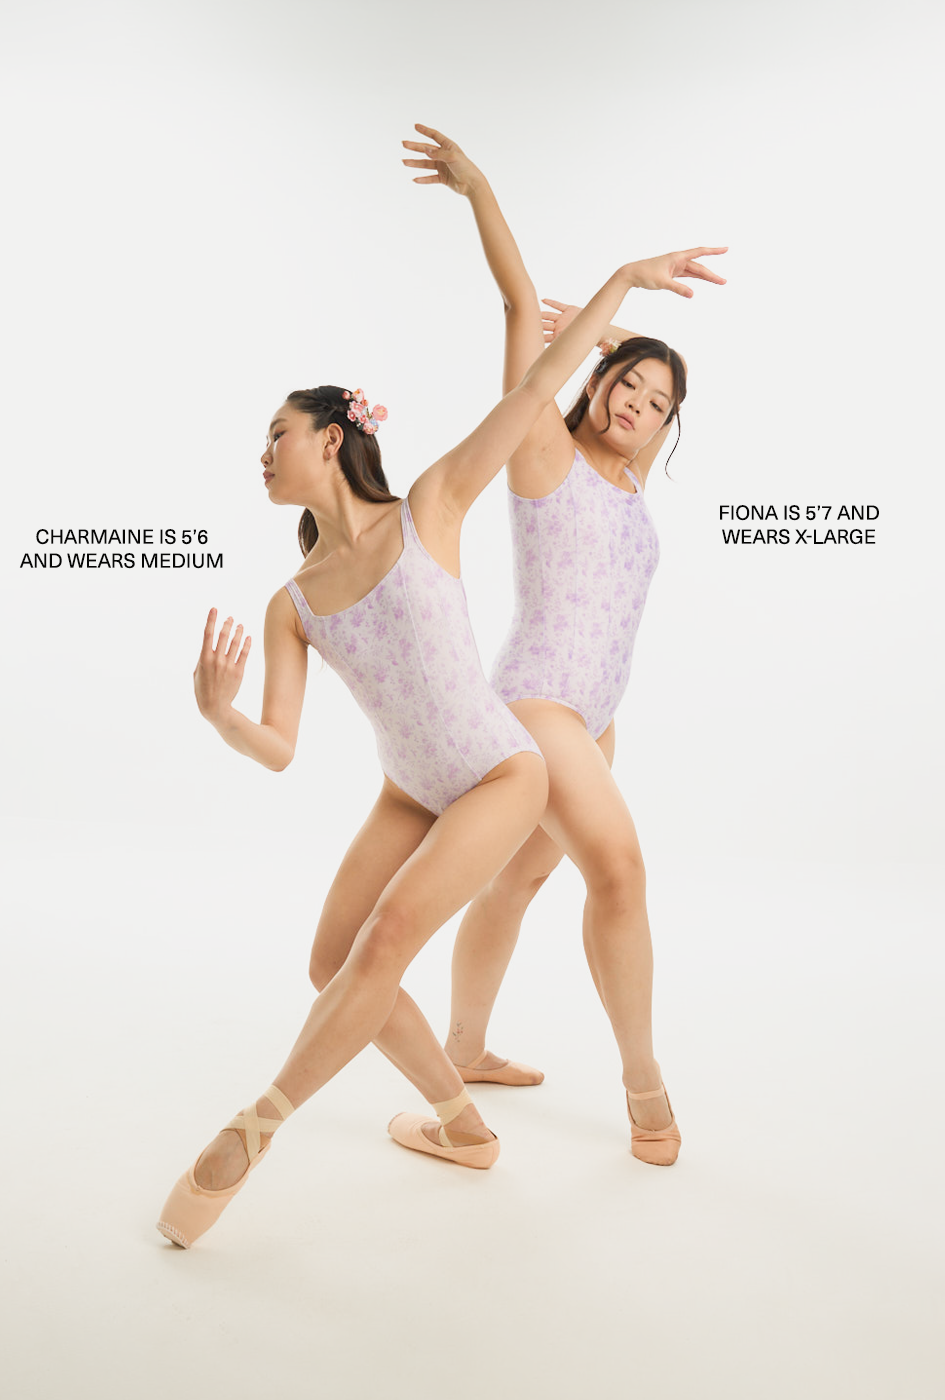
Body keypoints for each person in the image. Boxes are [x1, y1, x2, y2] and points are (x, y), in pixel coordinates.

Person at [157, 207, 715, 1250]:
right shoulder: (298, 596)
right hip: (441, 770)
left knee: (444, 917)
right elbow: (278, 747)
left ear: (328, 436)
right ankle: (462, 1119)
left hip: (526, 753)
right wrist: (219, 712)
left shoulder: (439, 504)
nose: (259, 454)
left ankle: (268, 1114)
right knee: (338, 958)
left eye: (272, 435)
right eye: (626, 388)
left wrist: (604, 302)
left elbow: (534, 353)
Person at [402, 123, 727, 1165]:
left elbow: (621, 388)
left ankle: (464, 1044)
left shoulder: (633, 488)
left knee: (519, 882)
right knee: (619, 871)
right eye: (625, 387)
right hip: (538, 704)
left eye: (655, 401)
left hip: (596, 718)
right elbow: (516, 306)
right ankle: (645, 1092)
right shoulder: (542, 447)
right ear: (587, 389)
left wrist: (608, 348)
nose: (635, 405)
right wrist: (484, 194)